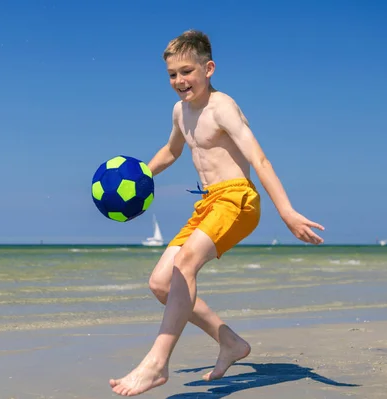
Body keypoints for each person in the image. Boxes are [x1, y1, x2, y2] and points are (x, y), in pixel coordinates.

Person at [109, 29, 325, 396]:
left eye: (187, 71)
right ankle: (230, 343)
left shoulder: (222, 107)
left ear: (208, 68)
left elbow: (258, 158)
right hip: (207, 203)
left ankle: (157, 362)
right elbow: (172, 151)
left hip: (238, 200)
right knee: (161, 283)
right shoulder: (180, 112)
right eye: (172, 75)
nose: (179, 81)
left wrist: (286, 211)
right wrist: (139, 173)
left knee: (186, 263)